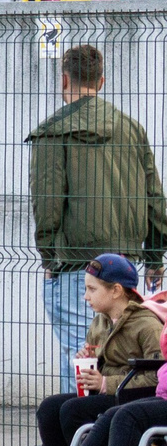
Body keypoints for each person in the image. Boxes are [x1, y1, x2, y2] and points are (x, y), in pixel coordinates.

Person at [28, 44, 167, 385]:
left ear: (64, 80)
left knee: (80, 354)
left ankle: (73, 436)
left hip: (76, 263)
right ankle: (108, 434)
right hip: (124, 265)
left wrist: (50, 258)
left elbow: (47, 202)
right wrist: (154, 256)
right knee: (116, 356)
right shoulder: (131, 129)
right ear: (101, 81)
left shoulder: (53, 131)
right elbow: (155, 197)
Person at [9, 255, 167, 446]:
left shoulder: (146, 324)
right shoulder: (101, 322)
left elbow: (155, 371)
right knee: (50, 407)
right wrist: (89, 361)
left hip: (132, 393)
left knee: (80, 411)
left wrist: (107, 382)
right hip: (122, 396)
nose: (85, 297)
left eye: (92, 289)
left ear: (116, 290)